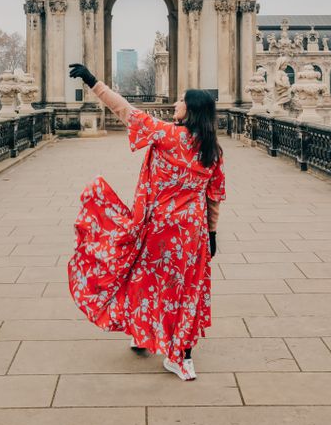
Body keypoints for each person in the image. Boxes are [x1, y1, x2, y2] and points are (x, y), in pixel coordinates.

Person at [67, 62, 226, 381]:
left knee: (145, 279)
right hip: (190, 234)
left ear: (190, 110)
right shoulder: (213, 149)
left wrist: (93, 82)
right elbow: (214, 196)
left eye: (181, 100)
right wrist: (212, 234)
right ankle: (181, 354)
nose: (176, 103)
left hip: (157, 229)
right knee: (185, 292)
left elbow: (125, 110)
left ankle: (153, 337)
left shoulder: (168, 135)